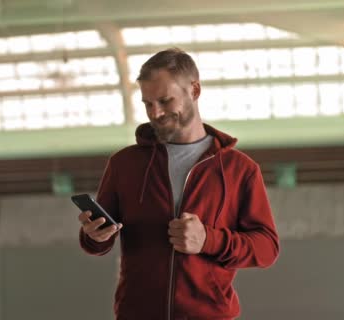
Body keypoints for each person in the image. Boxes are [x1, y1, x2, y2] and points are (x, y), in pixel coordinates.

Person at [78, 48, 279, 320]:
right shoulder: (124, 164)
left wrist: (208, 239)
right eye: (147, 103)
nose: (155, 113)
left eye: (164, 100)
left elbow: (266, 248)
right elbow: (97, 242)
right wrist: (94, 235)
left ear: (194, 90)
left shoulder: (239, 170)